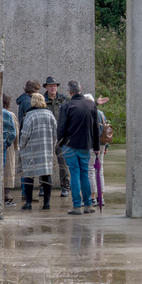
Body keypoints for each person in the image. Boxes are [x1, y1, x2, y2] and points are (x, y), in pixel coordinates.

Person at [56, 80, 100, 215]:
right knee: (84, 174)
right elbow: (96, 127)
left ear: (69, 91)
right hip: (85, 145)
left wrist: (60, 143)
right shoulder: (91, 105)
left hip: (69, 145)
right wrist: (96, 146)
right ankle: (88, 205)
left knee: (74, 173)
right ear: (80, 89)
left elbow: (61, 127)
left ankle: (76, 206)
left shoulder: (66, 106)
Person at [18, 93, 56, 210]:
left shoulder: (29, 116)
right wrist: (52, 146)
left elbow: (25, 134)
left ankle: (28, 203)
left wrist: (21, 146)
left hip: (31, 150)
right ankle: (47, 203)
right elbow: (55, 133)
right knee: (46, 175)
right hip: (46, 150)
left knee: (29, 175)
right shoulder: (50, 115)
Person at [42, 76, 69, 200]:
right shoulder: (41, 100)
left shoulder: (64, 99)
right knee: (44, 163)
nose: (53, 88)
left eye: (55, 86)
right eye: (51, 86)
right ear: (46, 87)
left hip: (61, 137)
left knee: (63, 163)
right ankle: (44, 187)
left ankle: (65, 187)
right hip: (46, 137)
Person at [2, 93, 19, 206]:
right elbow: (15, 132)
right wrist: (15, 145)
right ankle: (6, 195)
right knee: (8, 169)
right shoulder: (9, 114)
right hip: (7, 146)